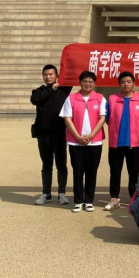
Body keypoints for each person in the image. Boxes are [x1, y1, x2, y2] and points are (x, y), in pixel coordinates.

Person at [59, 71, 106, 213]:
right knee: (78, 171)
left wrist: (91, 135)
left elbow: (102, 118)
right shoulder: (71, 98)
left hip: (95, 142)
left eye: (90, 81)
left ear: (94, 83)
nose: (87, 83)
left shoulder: (100, 98)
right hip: (75, 142)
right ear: (80, 82)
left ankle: (89, 201)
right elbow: (67, 119)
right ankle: (78, 201)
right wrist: (78, 137)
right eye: (85, 81)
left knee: (92, 172)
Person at [104, 71, 139, 211]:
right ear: (119, 84)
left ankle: (134, 198)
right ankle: (114, 198)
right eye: (123, 82)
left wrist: (134, 132)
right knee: (115, 171)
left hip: (134, 144)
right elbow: (107, 119)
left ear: (134, 84)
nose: (126, 84)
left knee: (134, 172)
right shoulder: (112, 99)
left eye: (129, 81)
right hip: (116, 143)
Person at [30, 64, 73, 205]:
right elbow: (34, 100)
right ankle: (46, 194)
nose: (48, 77)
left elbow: (73, 74)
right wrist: (51, 89)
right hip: (43, 135)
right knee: (46, 165)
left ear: (57, 75)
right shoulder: (39, 91)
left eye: (51, 74)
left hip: (59, 134)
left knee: (61, 164)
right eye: (46, 75)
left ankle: (62, 193)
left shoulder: (64, 89)